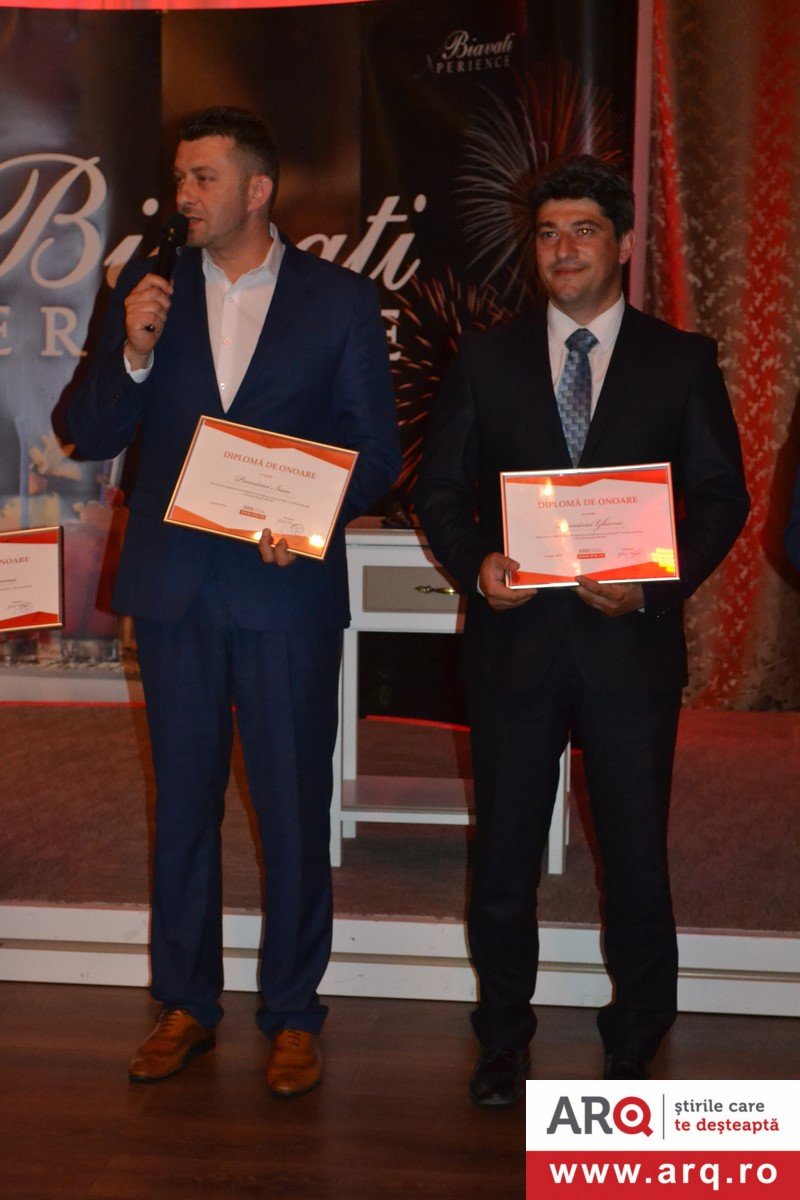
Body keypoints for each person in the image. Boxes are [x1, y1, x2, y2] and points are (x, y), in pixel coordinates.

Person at [66, 106, 400, 1096]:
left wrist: (309, 518)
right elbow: (90, 431)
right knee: (182, 807)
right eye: (180, 176)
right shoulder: (147, 291)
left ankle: (293, 1014)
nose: (184, 195)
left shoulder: (339, 302)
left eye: (204, 177)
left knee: (292, 809)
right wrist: (131, 352)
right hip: (175, 593)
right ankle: (184, 1004)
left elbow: (375, 449)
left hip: (282, 591)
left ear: (258, 190)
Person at [415, 155, 749, 1104]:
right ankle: (502, 1040)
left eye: (585, 231)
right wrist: (477, 562)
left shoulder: (681, 360)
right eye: (549, 233)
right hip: (514, 646)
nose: (564, 249)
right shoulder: (485, 359)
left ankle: (637, 1036)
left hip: (630, 648)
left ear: (626, 243)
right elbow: (439, 490)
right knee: (504, 859)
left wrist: (653, 588)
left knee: (636, 855)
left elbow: (721, 498)